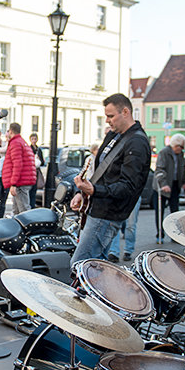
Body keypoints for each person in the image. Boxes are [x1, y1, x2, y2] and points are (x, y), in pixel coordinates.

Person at [70, 93, 150, 263]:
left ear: (126, 112)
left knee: (80, 264)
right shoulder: (114, 135)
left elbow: (128, 187)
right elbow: (100, 172)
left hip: (108, 213)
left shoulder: (137, 142)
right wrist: (82, 193)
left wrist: (94, 190)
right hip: (97, 209)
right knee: (96, 266)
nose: (107, 120)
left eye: (111, 116)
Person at [153, 133, 185, 242]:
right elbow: (160, 169)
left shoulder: (181, 155)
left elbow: (182, 168)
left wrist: (184, 182)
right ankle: (160, 234)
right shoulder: (164, 152)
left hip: (175, 185)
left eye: (182, 147)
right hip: (162, 187)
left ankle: (175, 235)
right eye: (179, 146)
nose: (180, 149)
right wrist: (163, 184)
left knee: (175, 212)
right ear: (174, 145)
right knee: (160, 211)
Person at [1, 122, 36, 215]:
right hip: (23, 181)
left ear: (11, 131)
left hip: (20, 183)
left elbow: (17, 164)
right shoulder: (21, 142)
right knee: (17, 211)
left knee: (24, 211)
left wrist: (13, 183)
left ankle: (29, 225)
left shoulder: (15, 143)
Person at [106, 196, 141, 262]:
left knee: (130, 225)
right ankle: (114, 252)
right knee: (114, 224)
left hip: (133, 196)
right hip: (116, 195)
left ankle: (128, 251)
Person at [28, 133, 44, 207]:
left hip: (36, 171)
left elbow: (42, 162)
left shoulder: (39, 150)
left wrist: (39, 159)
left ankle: (32, 205)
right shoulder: (29, 149)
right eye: (32, 139)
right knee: (30, 190)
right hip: (30, 171)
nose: (34, 141)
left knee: (34, 190)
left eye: (35, 139)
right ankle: (30, 204)